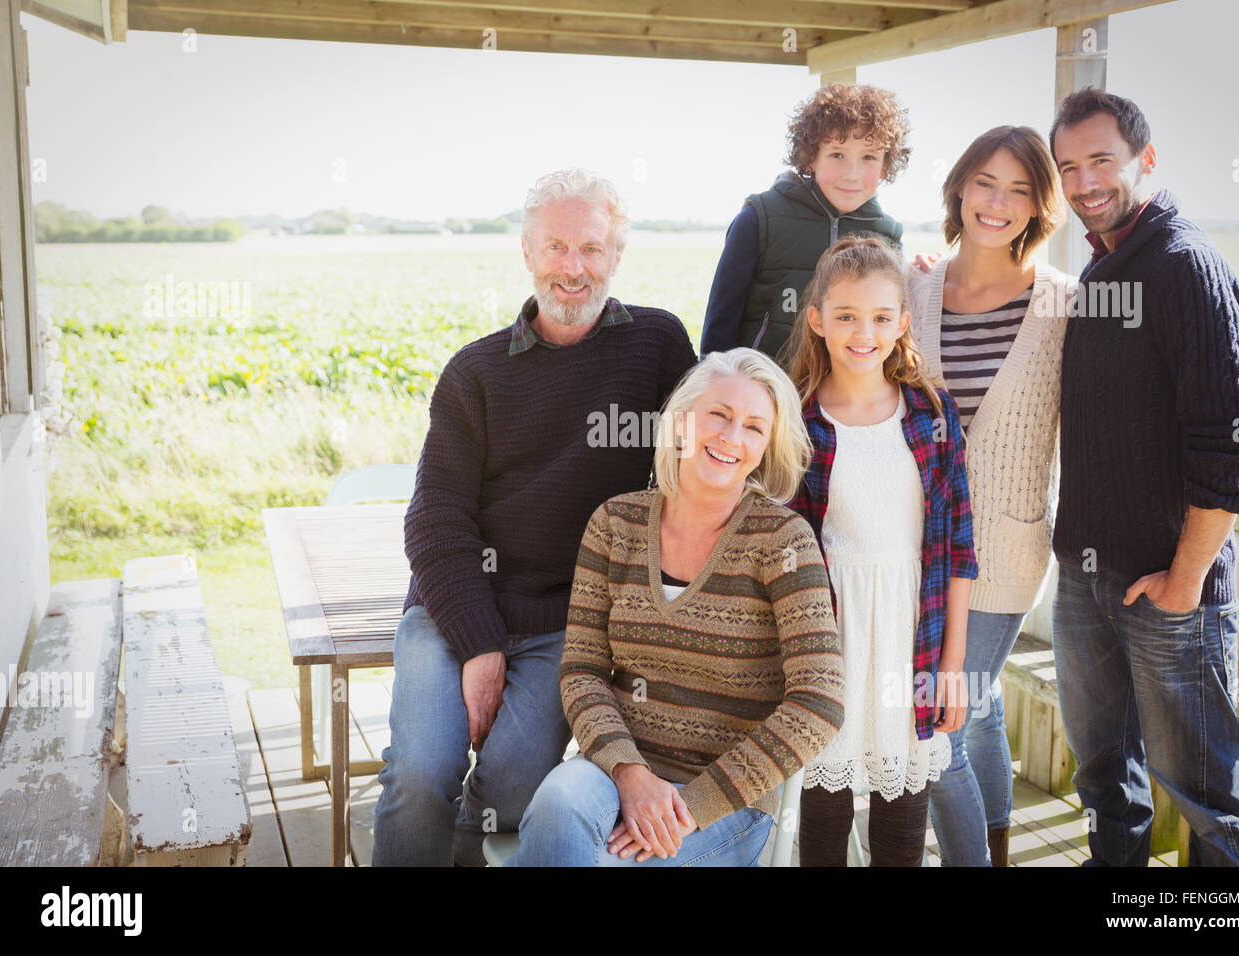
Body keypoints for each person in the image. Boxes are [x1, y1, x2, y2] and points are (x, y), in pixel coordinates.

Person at [371, 169, 697, 866]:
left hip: (566, 620)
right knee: (418, 774)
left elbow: (703, 463)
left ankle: (459, 853)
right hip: (453, 606)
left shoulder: (657, 346)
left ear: (616, 256)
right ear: (526, 252)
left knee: (514, 786)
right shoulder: (476, 372)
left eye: (591, 249)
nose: (573, 269)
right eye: (555, 247)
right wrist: (481, 643)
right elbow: (434, 521)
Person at [507, 348, 846, 866]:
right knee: (556, 809)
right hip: (614, 772)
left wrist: (691, 805)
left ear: (766, 447)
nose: (732, 438)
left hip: (729, 804)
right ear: (683, 421)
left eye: (755, 428)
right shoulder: (614, 525)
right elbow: (582, 672)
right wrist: (630, 774)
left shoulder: (783, 541)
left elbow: (819, 702)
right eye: (720, 415)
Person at [1049, 88, 1239, 866]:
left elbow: (1234, 445)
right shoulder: (1105, 264)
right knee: (1106, 777)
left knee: (1207, 797)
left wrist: (1184, 580)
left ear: (1146, 159)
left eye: (1100, 161)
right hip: (1086, 579)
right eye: (1068, 167)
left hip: (1171, 589)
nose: (1083, 183)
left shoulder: (1183, 265)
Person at [907, 126, 1074, 867]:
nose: (998, 202)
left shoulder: (1066, 305)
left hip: (1004, 551)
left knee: (939, 726)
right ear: (959, 189)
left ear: (1040, 204)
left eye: (1019, 189)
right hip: (914, 544)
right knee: (976, 714)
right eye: (985, 182)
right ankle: (1000, 844)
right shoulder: (910, 290)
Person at [784, 236, 977, 866]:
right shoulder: (801, 421)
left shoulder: (930, 413)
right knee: (824, 820)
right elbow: (783, 550)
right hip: (830, 636)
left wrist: (951, 664)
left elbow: (958, 546)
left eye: (879, 317)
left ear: (901, 322)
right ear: (817, 320)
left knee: (902, 826)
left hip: (911, 636)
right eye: (845, 316)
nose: (862, 333)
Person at [700, 83, 910, 364]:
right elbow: (720, 322)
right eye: (837, 154)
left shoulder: (889, 238)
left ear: (886, 165)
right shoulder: (759, 219)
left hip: (842, 403)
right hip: (764, 394)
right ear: (812, 157)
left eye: (869, 157)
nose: (852, 174)